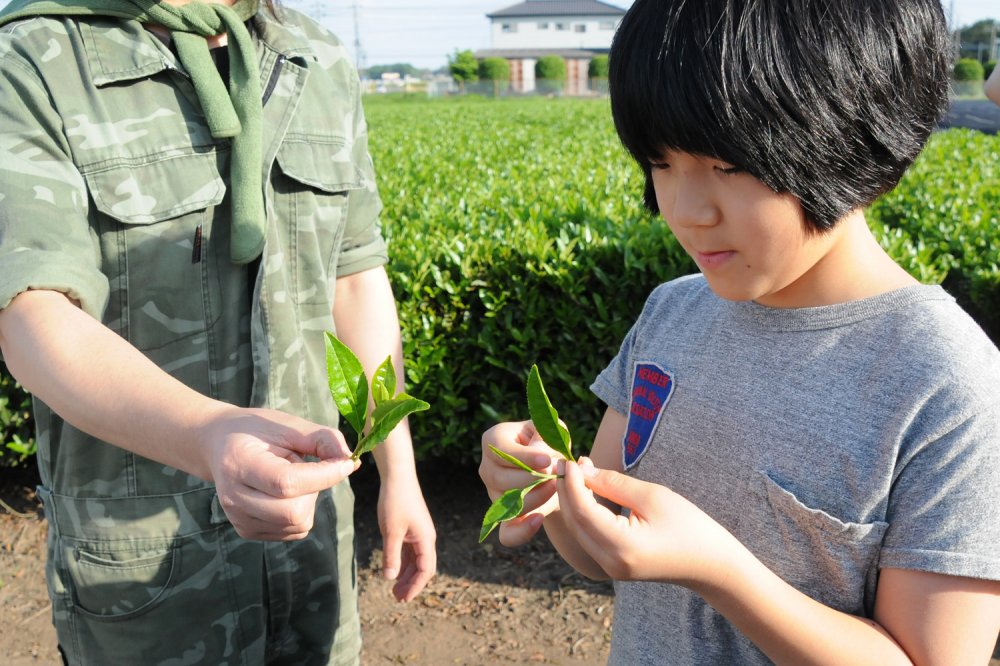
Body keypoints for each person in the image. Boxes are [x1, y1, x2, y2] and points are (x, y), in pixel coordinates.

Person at [479, 0, 1000, 663]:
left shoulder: (946, 384)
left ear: (857, 136)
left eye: (728, 166)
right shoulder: (672, 316)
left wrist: (719, 571)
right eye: (661, 164)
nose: (688, 211)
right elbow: (603, 550)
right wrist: (548, 492)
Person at [0, 0, 436, 664]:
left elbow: (353, 274)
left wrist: (397, 469)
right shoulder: (35, 59)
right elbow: (31, 311)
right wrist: (205, 437)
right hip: (147, 574)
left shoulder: (313, 55)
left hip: (312, 542)